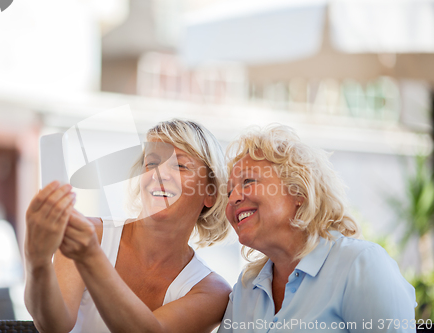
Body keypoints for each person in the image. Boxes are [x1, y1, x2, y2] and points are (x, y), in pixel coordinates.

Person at [24, 119, 232, 333]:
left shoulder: (212, 291)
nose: (159, 174)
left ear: (210, 192)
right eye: (152, 163)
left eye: (180, 165)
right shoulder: (89, 234)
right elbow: (53, 326)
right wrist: (36, 261)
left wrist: (90, 257)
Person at [218, 124, 416, 333]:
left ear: (299, 191)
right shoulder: (246, 288)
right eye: (229, 192)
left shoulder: (360, 265)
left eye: (248, 181)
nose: (232, 198)